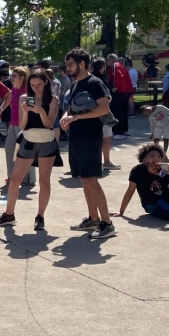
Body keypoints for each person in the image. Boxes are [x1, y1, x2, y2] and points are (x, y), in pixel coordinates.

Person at [60, 48, 117, 239]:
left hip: (91, 137)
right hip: (76, 137)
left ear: (81, 64)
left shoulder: (95, 83)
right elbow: (69, 109)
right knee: (84, 179)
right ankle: (93, 219)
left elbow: (103, 109)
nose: (67, 68)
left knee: (92, 180)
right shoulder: (76, 84)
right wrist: (65, 118)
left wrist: (75, 117)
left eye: (70, 64)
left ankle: (107, 223)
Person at [0, 69, 60, 231]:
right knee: (15, 180)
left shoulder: (52, 99)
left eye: (38, 84)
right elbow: (23, 126)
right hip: (28, 140)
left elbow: (49, 124)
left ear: (45, 82)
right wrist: (25, 112)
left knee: (44, 181)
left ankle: (40, 216)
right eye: (32, 85)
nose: (36, 88)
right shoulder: (26, 98)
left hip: (46, 141)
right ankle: (9, 215)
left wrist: (40, 110)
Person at [115, 143, 169, 224]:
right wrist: (121, 212)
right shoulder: (138, 171)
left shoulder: (165, 172)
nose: (156, 158)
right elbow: (130, 190)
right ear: (144, 160)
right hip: (154, 204)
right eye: (152, 156)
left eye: (158, 156)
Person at [3, 66, 36, 186]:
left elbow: (31, 109)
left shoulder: (28, 91)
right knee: (9, 149)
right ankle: (12, 176)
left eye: (14, 76)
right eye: (11, 75)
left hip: (25, 126)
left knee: (26, 151)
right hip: (13, 124)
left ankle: (28, 178)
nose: (11, 78)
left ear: (22, 77)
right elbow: (12, 106)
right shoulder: (14, 89)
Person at [91, 58, 117, 171]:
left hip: (90, 113)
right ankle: (106, 161)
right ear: (102, 67)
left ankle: (93, 161)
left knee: (93, 139)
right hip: (103, 113)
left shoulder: (89, 79)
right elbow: (107, 97)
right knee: (106, 137)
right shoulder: (102, 80)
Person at [106, 54, 133, 138]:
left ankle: (118, 132)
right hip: (124, 91)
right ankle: (123, 130)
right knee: (122, 111)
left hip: (119, 92)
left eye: (107, 59)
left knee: (117, 112)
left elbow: (119, 76)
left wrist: (116, 87)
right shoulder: (120, 66)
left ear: (111, 59)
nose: (106, 61)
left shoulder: (115, 66)